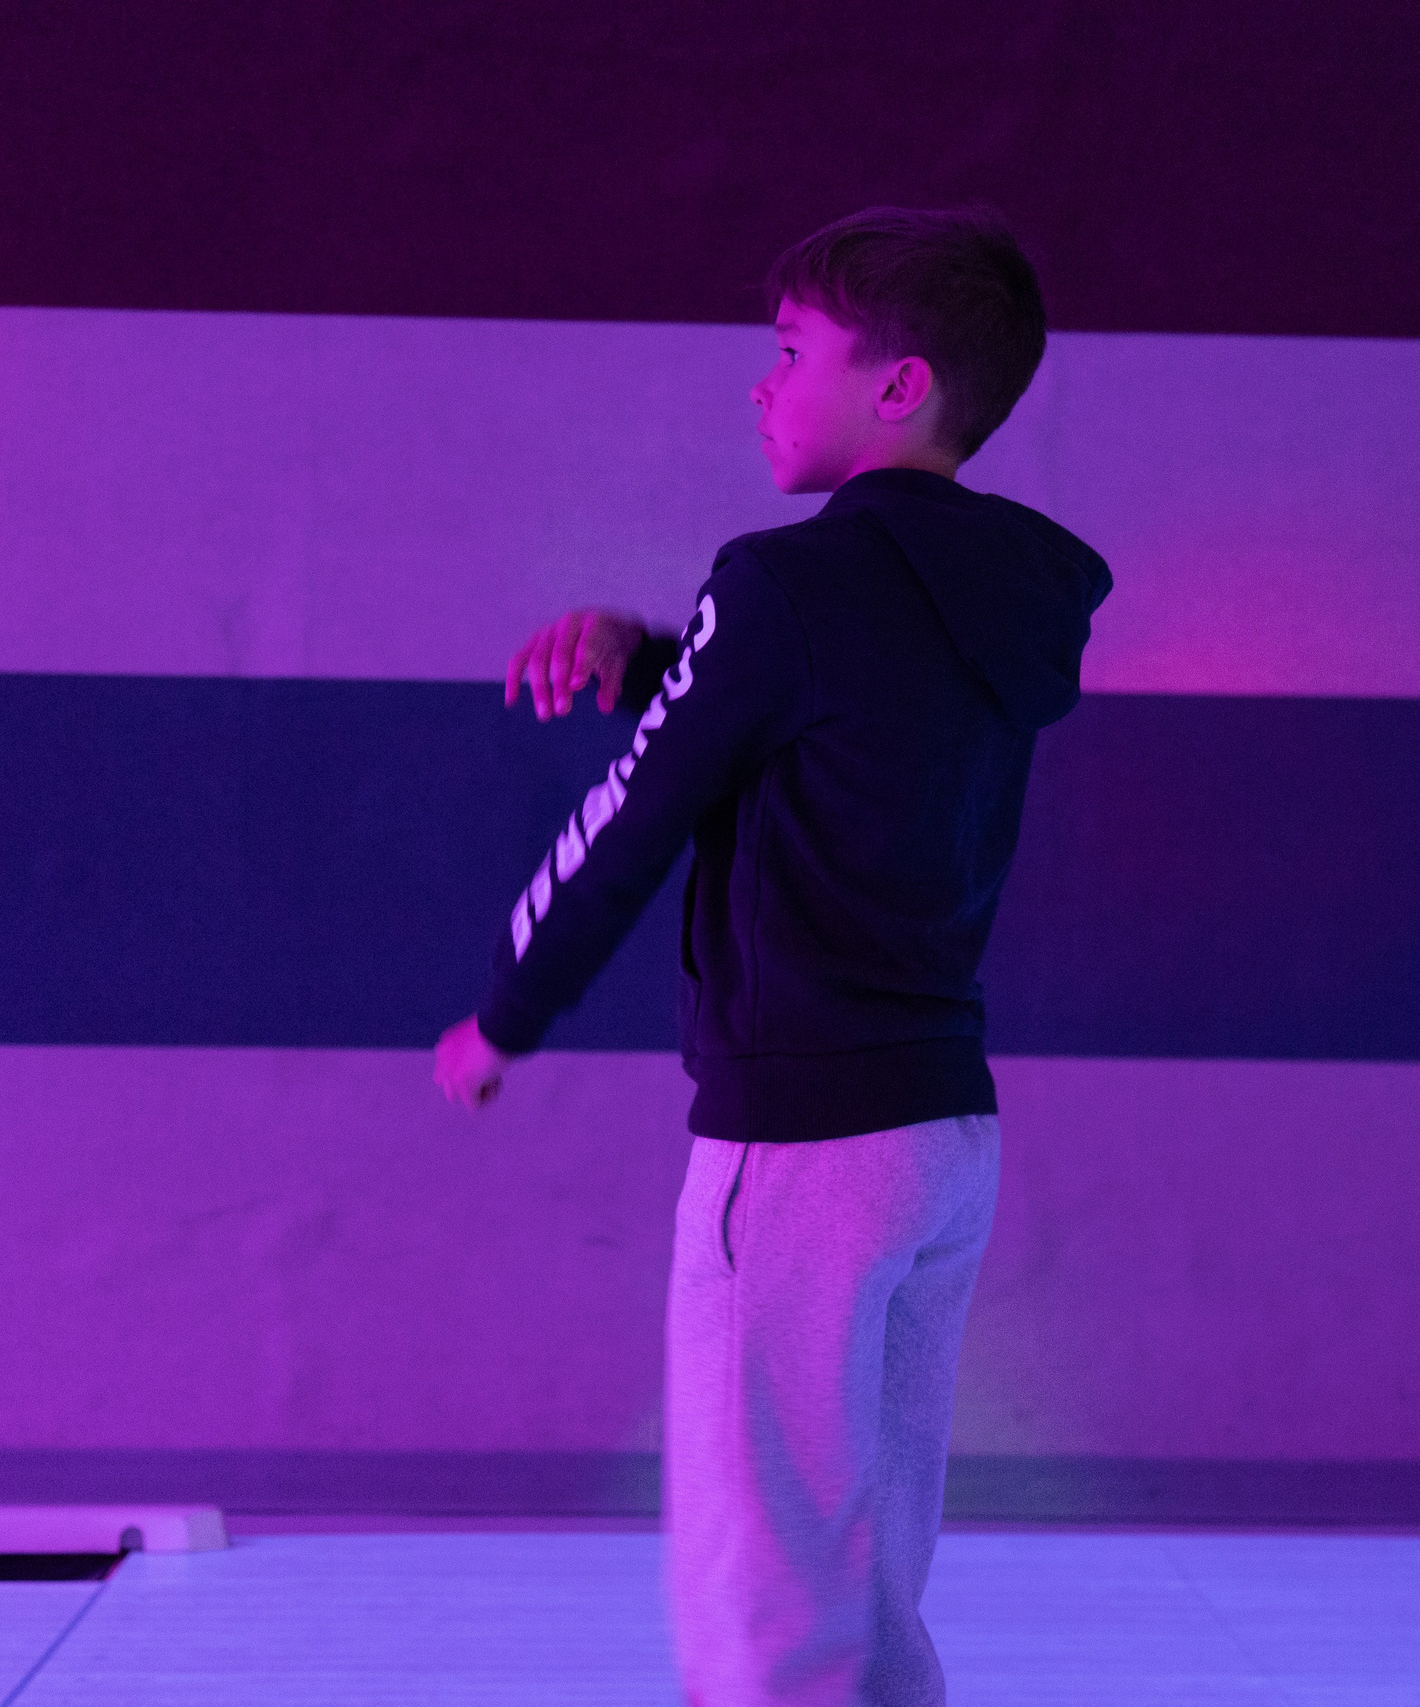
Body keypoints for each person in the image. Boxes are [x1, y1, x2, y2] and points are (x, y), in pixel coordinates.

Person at [433, 204, 1110, 1706]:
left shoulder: (784, 583)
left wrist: (506, 1013)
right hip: (940, 1139)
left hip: (797, 1144)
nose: (763, 381)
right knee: (868, 1578)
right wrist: (657, 660)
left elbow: (635, 819)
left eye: (793, 351)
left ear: (899, 386)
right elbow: (839, 724)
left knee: (764, 1599)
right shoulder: (1002, 594)